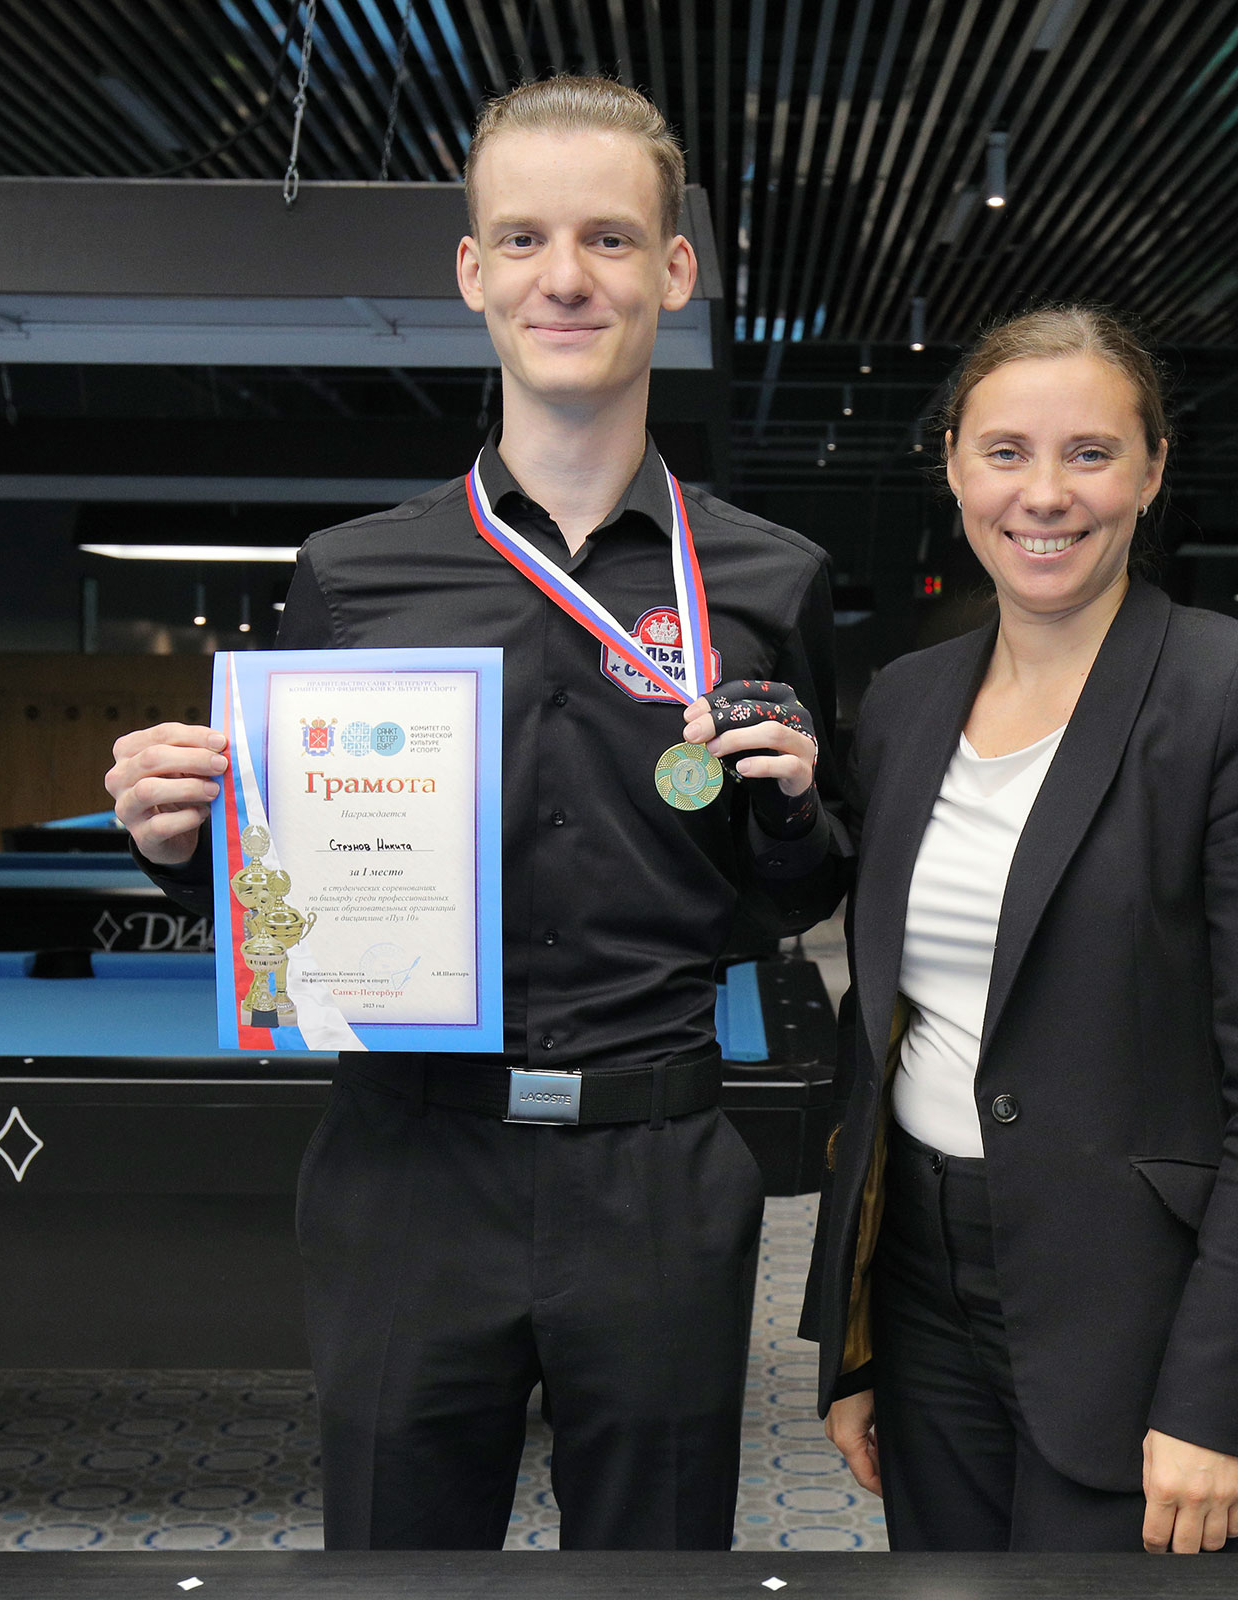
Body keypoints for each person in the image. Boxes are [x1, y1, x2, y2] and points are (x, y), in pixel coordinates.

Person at [102, 75, 848, 1552]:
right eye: (523, 239)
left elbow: (798, 891)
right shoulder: (350, 574)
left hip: (656, 1165)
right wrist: (182, 846)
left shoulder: (774, 579)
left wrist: (790, 816)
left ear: (675, 269)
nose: (564, 277)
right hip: (408, 1163)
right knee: (395, 1568)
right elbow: (284, 895)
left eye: (608, 238)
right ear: (472, 271)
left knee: (657, 1578)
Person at [800, 306, 1238, 1553]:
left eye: (1091, 453)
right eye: (1005, 451)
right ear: (954, 467)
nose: (1045, 494)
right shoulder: (904, 703)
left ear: (1153, 470)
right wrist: (853, 1329)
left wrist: (1219, 1394)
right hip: (922, 1286)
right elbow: (879, 1027)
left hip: (1139, 1304)